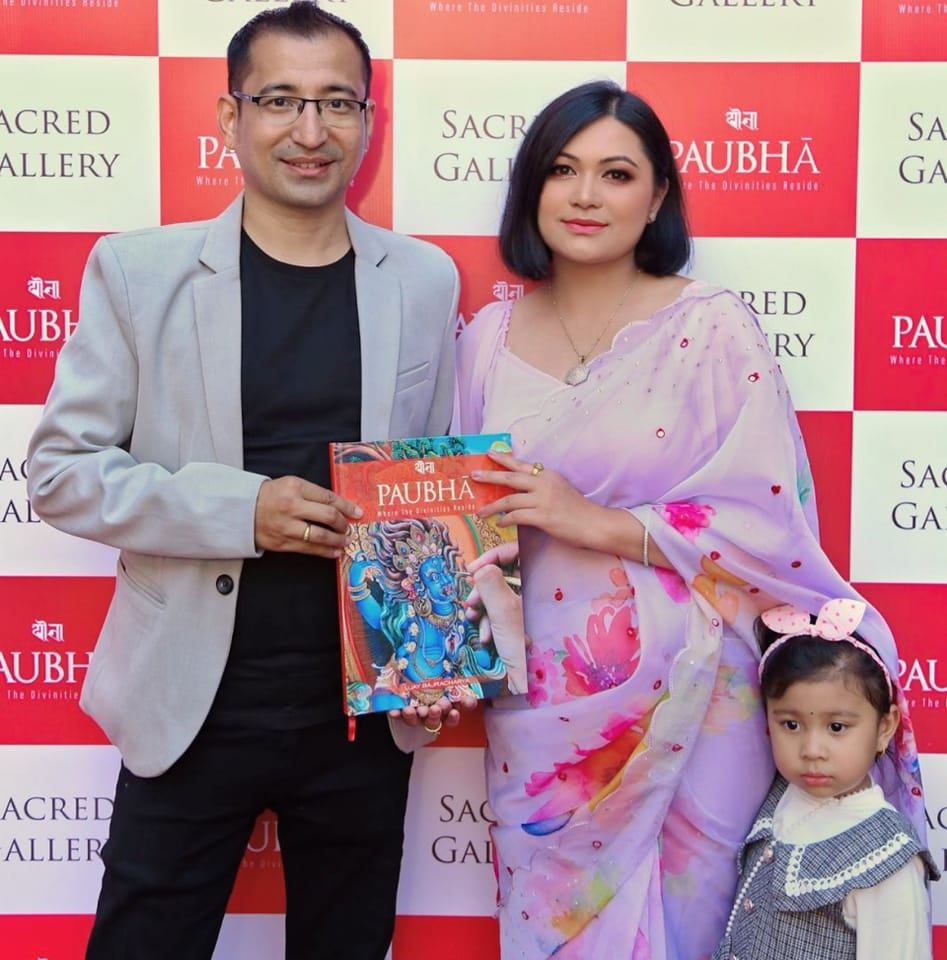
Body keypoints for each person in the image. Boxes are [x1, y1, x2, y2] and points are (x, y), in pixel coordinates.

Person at [452, 81, 927, 959]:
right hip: (545, 711)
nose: (586, 195)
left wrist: (590, 520)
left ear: (656, 196)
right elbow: (454, 523)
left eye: (615, 173)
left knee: (699, 920)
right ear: (530, 188)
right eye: (561, 170)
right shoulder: (483, 341)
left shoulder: (711, 330)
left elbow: (766, 524)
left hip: (697, 691)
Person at [26, 3, 460, 959]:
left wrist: (436, 654)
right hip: (190, 701)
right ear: (229, 118)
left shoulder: (424, 281)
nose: (311, 131)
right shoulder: (139, 272)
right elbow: (57, 475)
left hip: (364, 711)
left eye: (336, 103)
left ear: (368, 121)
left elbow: (428, 494)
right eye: (279, 101)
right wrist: (243, 511)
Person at [713, 599, 937, 960]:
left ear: (884, 728)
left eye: (837, 727)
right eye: (791, 724)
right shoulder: (776, 795)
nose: (812, 749)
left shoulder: (886, 861)